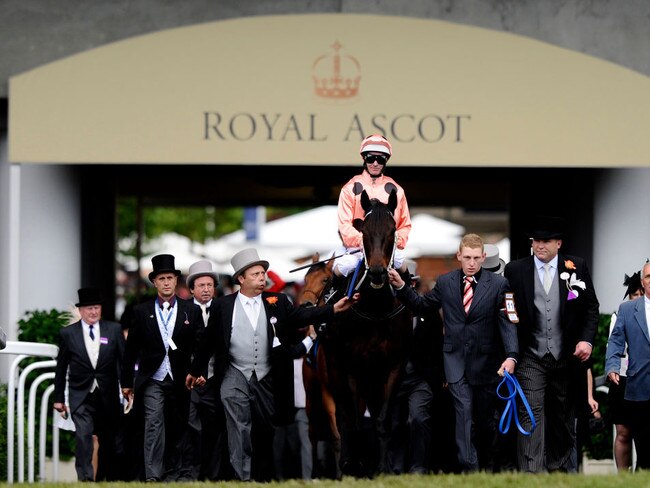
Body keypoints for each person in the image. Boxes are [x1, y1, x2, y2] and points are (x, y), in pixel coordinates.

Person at [187, 248, 358, 482]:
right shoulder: (223, 306)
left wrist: (332, 310)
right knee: (239, 428)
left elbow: (299, 317)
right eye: (256, 274)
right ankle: (242, 479)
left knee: (265, 430)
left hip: (266, 376)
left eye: (263, 273)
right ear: (241, 279)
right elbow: (207, 342)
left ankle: (262, 477)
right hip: (234, 374)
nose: (262, 278)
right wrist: (195, 370)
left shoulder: (276, 301)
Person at [388, 233, 519, 472]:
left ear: (483, 257)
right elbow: (422, 306)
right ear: (459, 256)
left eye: (476, 258)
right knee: (463, 416)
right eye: (467, 257)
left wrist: (511, 356)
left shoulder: (500, 284)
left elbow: (509, 322)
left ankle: (488, 467)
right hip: (455, 363)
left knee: (486, 422)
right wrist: (401, 287)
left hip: (487, 365)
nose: (471, 263)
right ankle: (469, 470)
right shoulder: (445, 282)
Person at [504, 216, 600, 473]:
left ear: (559, 243)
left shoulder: (576, 267)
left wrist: (586, 340)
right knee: (530, 413)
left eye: (546, 241)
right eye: (536, 241)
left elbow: (591, 307)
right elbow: (509, 313)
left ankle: (559, 471)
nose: (539, 246)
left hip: (565, 356)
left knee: (562, 416)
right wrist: (512, 352)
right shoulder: (515, 270)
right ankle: (531, 475)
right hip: (531, 355)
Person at [121, 254, 203, 482]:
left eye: (170, 278)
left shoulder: (191, 310)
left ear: (176, 281)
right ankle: (153, 476)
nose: (166, 282)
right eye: (161, 279)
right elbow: (131, 351)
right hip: (153, 378)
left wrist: (197, 372)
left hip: (181, 378)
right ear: (154, 282)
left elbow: (200, 346)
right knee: (153, 424)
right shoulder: (141, 311)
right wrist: (126, 383)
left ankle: (175, 473)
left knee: (179, 425)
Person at [53, 288, 125, 481]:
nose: (93, 312)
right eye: (89, 308)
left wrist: (127, 388)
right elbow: (61, 368)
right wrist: (59, 399)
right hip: (81, 395)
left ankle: (104, 479)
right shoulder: (68, 333)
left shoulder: (114, 330)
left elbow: (122, 362)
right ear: (81, 310)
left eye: (96, 308)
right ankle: (85, 480)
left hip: (107, 394)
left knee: (108, 440)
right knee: (84, 437)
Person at [384, 261, 442, 474]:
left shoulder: (428, 311)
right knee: (395, 422)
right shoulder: (386, 314)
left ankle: (419, 467)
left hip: (420, 377)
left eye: (410, 284)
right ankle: (396, 469)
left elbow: (438, 344)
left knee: (418, 418)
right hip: (393, 378)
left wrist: (436, 376)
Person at [334, 134, 411, 280]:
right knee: (344, 267)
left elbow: (404, 225)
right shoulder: (349, 188)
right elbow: (344, 224)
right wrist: (363, 241)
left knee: (401, 262)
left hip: (387, 249)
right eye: (370, 158)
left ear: (386, 161)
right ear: (364, 158)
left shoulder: (397, 190)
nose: (375, 163)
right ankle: (331, 297)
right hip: (356, 249)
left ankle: (411, 296)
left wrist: (393, 242)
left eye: (380, 159)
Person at [185, 260, 229, 480]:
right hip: (190, 381)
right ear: (192, 288)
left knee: (217, 429)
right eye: (201, 285)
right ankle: (192, 475)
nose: (206, 289)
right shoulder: (182, 310)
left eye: (210, 285)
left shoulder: (224, 308)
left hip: (217, 379)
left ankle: (214, 477)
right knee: (192, 429)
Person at [606, 262, 650, 470]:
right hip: (635, 387)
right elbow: (615, 342)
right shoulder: (626, 310)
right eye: (649, 277)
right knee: (637, 443)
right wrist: (613, 365)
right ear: (643, 282)